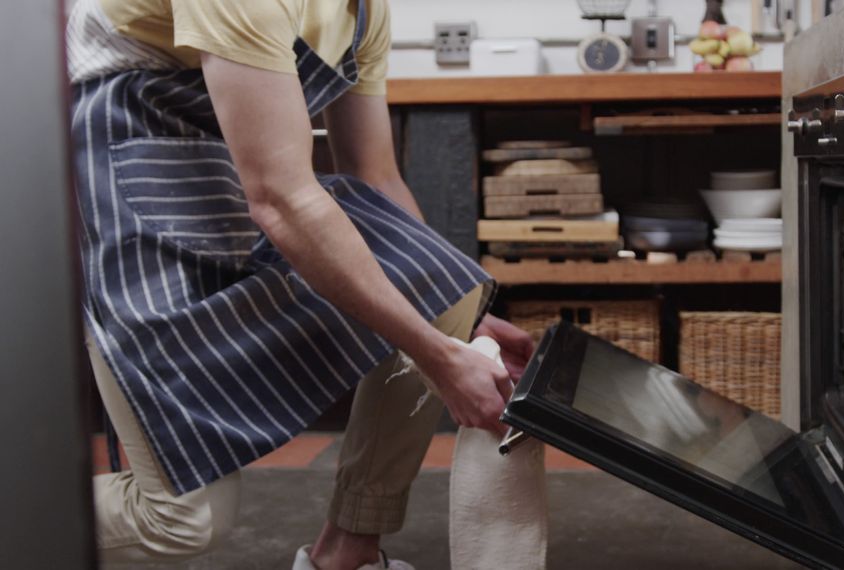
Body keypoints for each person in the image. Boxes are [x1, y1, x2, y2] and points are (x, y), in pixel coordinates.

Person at [66, 0, 535, 568]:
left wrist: (454, 313)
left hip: (234, 182)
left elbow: (374, 174)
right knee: (182, 520)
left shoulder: (365, 10)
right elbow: (281, 198)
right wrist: (434, 352)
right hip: (131, 175)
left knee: (448, 293)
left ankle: (346, 555)